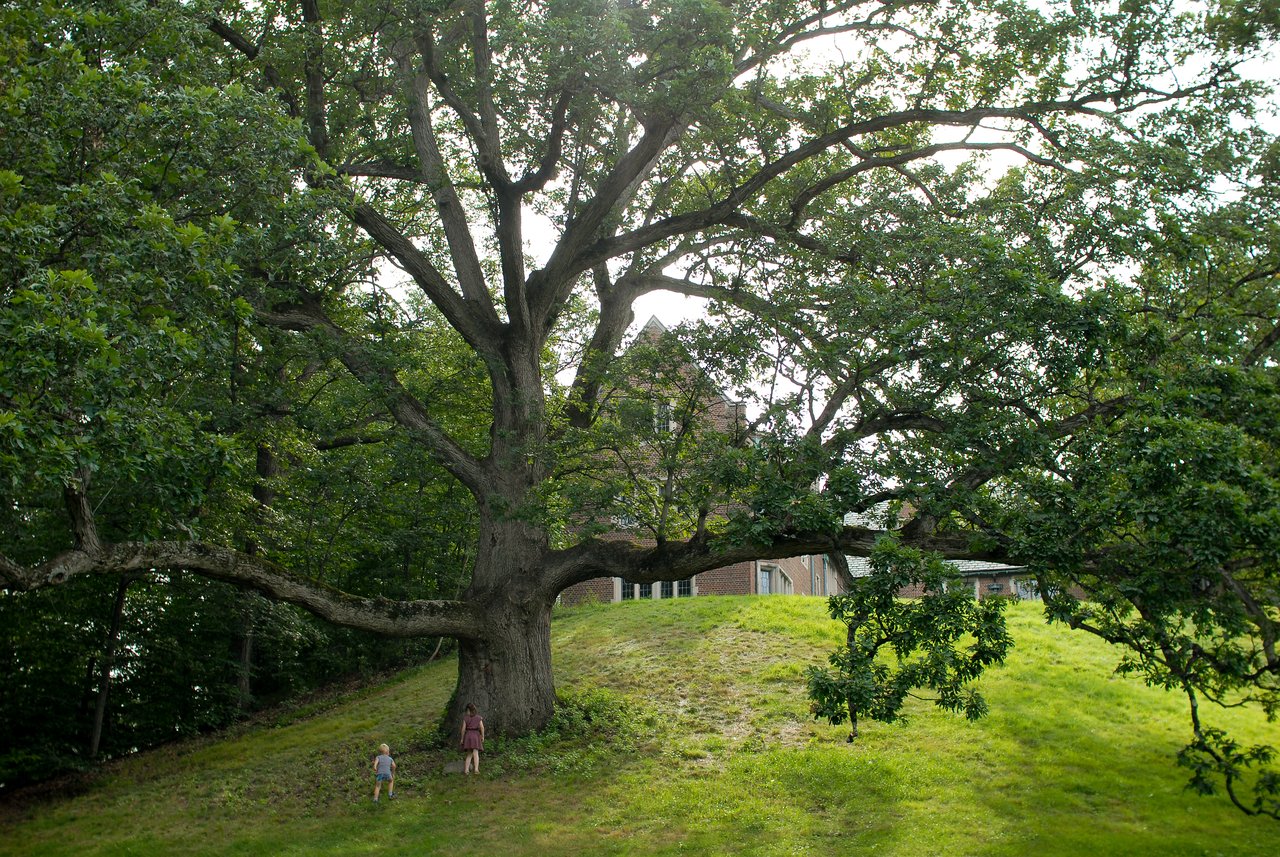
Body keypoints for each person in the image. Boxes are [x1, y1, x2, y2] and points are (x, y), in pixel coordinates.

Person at [459, 703, 484, 774]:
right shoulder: (479, 718)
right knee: (476, 753)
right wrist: (482, 736)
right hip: (476, 735)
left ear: (468, 710)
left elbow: (463, 729)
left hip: (468, 736)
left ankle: (466, 770)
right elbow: (482, 727)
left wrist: (462, 738)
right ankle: (476, 769)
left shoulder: (466, 718)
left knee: (469, 754)